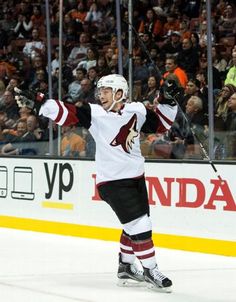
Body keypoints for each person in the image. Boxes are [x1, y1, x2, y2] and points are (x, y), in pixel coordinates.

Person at [15, 74, 178, 292]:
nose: (100, 95)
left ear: (120, 93)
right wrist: (39, 101)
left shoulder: (136, 110)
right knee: (140, 225)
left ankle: (126, 266)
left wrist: (168, 100)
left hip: (136, 177)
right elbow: (68, 113)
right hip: (111, 181)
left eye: (106, 91)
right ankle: (151, 269)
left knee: (134, 224)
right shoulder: (96, 113)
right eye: (100, 91)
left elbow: (160, 125)